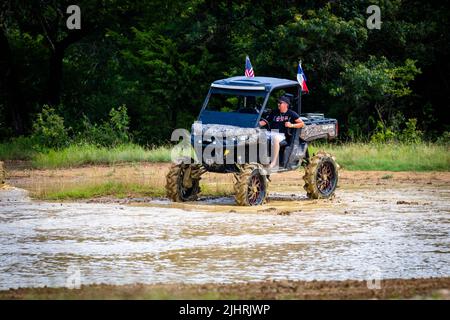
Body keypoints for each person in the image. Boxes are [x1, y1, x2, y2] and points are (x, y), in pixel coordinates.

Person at [259, 95, 304, 168]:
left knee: (276, 138)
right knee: (258, 135)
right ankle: (259, 159)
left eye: (280, 103)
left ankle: (273, 162)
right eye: (278, 103)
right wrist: (255, 125)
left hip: (282, 135)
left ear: (286, 104)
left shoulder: (291, 113)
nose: (278, 104)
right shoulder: (274, 112)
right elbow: (264, 122)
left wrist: (291, 125)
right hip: (271, 132)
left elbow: (302, 123)